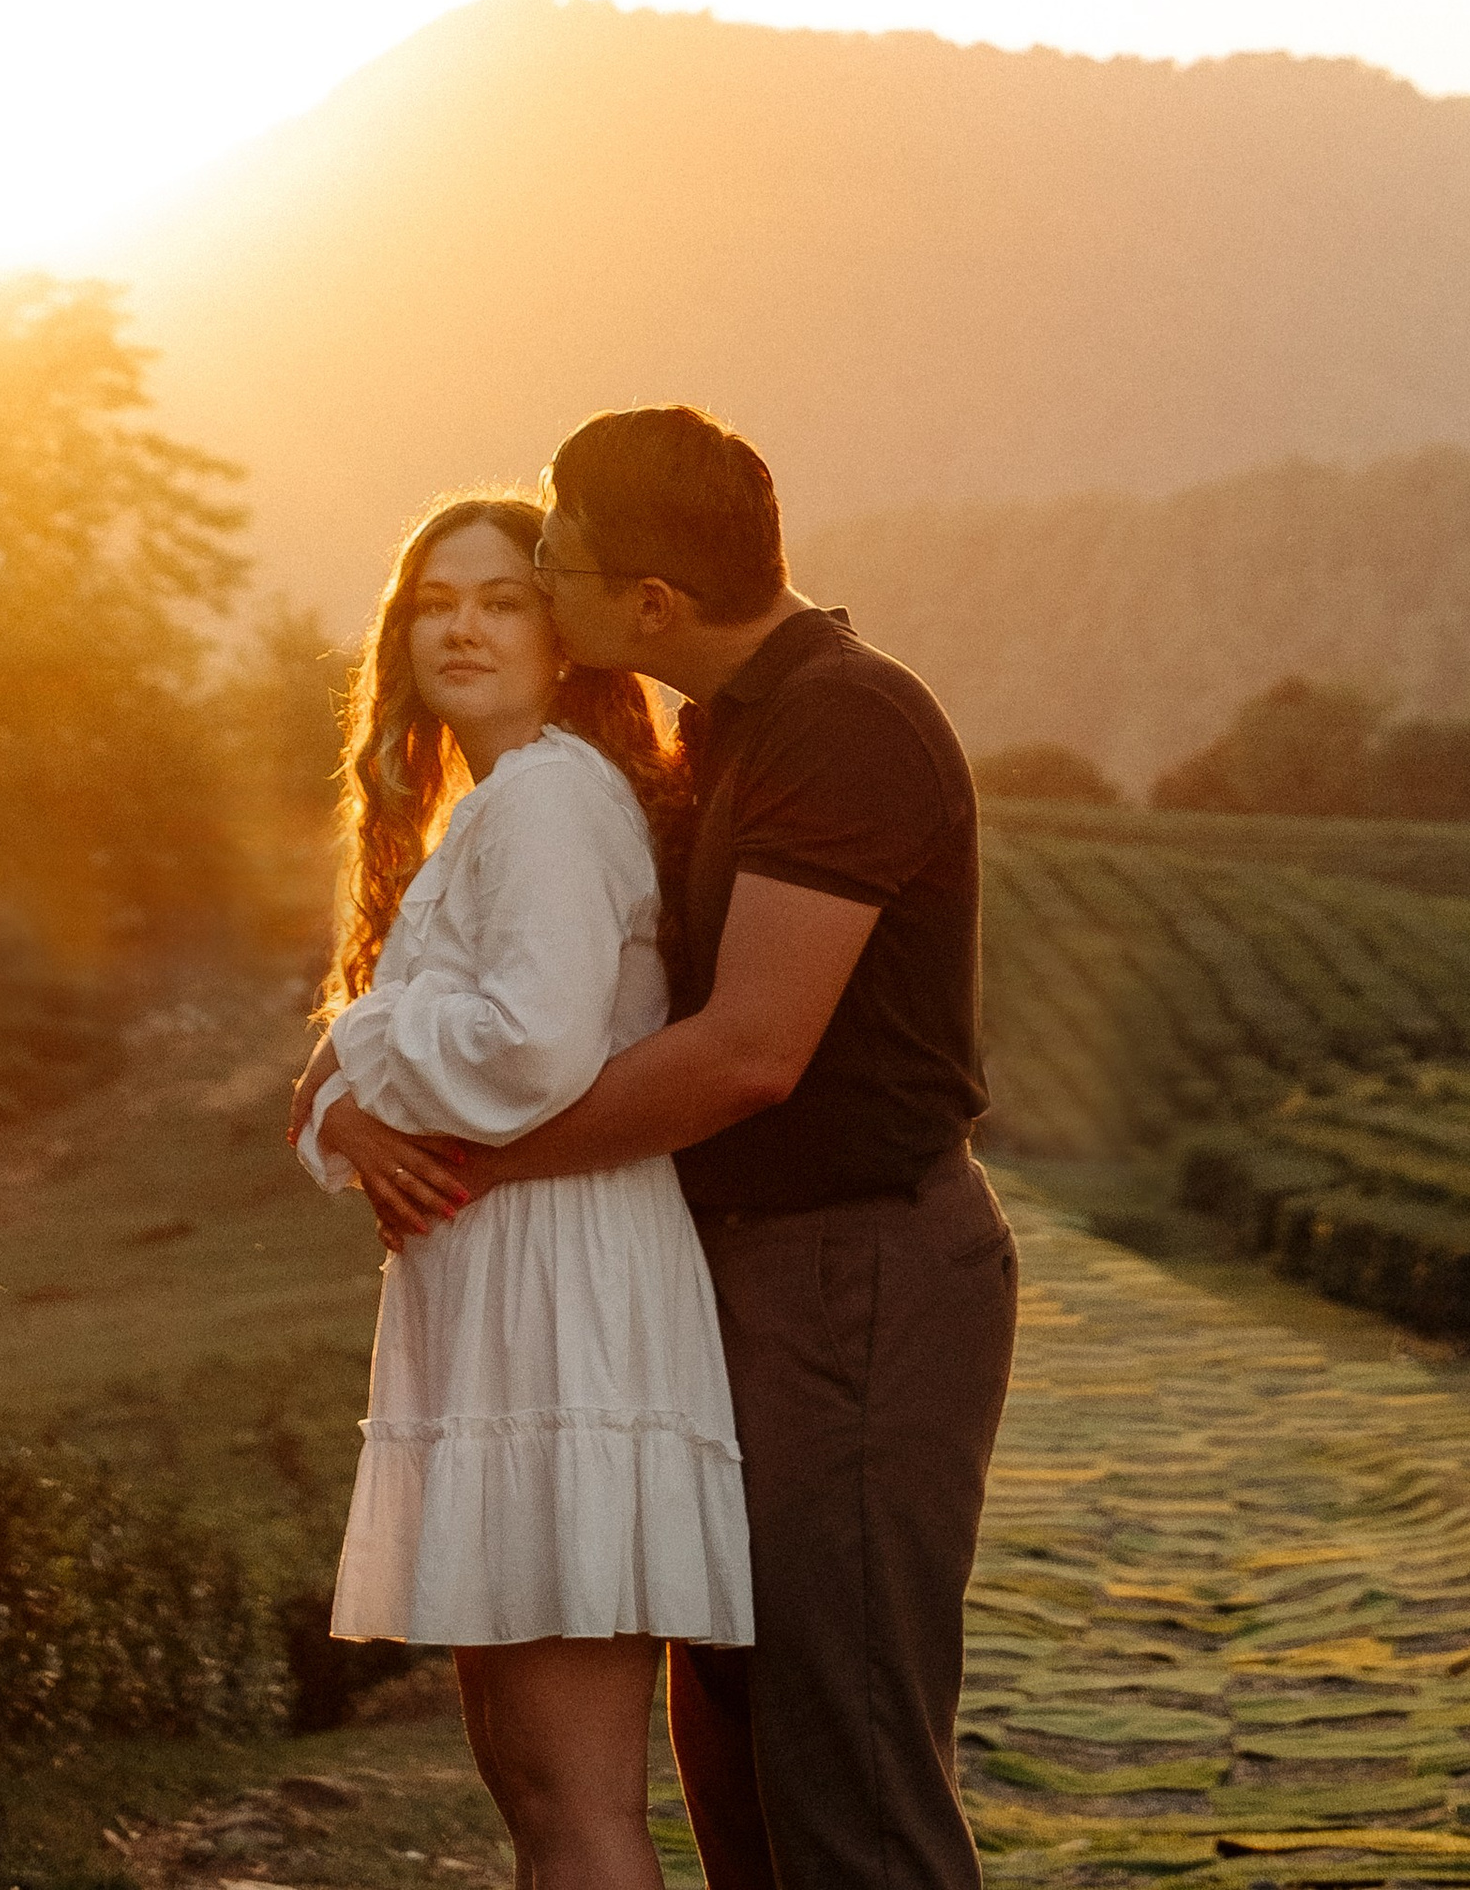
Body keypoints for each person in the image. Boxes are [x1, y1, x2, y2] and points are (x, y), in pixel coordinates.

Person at [349, 408, 1016, 1890]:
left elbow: (747, 1055)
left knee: (846, 1771)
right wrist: (346, 1094)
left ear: (648, 606)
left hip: (860, 1272)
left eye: (553, 561)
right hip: (735, 1273)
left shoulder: (846, 720)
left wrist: (477, 1162)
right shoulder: (724, 730)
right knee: (745, 1774)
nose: (534, 572)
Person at [287, 489, 751, 1890]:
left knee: (577, 1795)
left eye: (500, 600)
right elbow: (369, 1104)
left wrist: (353, 1043)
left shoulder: (551, 795)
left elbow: (533, 1050)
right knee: (534, 1783)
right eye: (436, 602)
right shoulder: (496, 808)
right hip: (506, 1287)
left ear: (565, 641)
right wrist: (349, 1109)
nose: (464, 628)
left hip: (567, 1286)